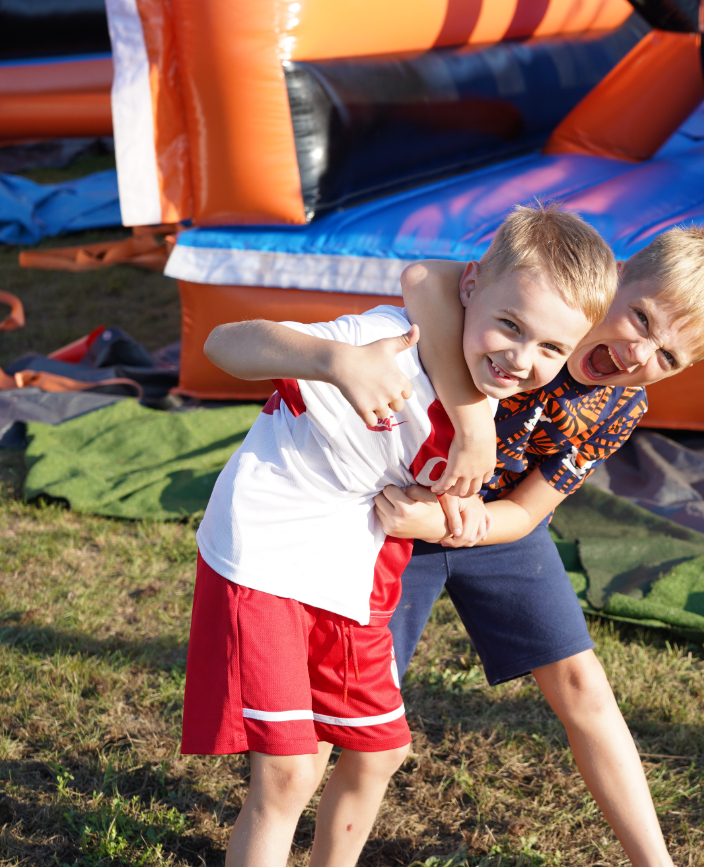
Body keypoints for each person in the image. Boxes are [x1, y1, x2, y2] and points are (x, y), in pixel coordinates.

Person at [180, 204, 616, 867]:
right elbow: (224, 344)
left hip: (350, 568)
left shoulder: (490, 389)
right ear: (470, 288)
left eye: (551, 348)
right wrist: (335, 360)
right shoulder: (390, 344)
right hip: (267, 557)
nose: (522, 358)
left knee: (381, 748)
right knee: (290, 772)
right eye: (510, 325)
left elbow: (455, 494)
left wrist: (459, 516)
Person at [376, 226, 704, 867]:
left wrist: (448, 526)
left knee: (583, 683)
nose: (638, 353)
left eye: (669, 358)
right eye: (640, 317)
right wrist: (471, 424)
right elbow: (423, 279)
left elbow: (524, 514)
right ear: (613, 277)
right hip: (396, 506)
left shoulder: (617, 406)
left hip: (482, 525)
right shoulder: (537, 298)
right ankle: (281, 822)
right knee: (366, 699)